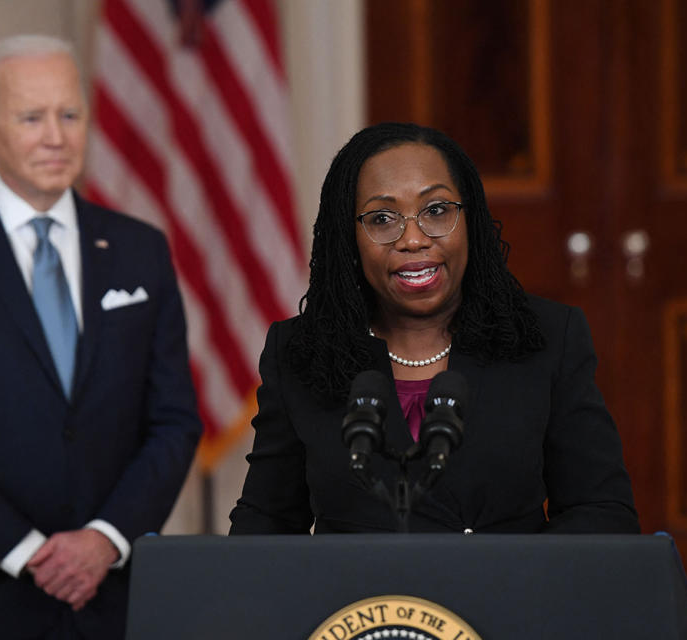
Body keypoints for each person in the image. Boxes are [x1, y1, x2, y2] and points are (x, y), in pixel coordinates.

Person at [0, 35, 202, 639]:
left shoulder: (140, 249)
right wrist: (30, 552)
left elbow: (174, 420)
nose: (56, 136)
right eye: (31, 117)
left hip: (114, 603)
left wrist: (103, 541)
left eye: (69, 114)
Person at [229, 122, 639, 535]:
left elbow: (602, 512)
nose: (412, 239)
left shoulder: (547, 338)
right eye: (383, 218)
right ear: (348, 237)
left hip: (504, 596)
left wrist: (521, 584)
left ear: (470, 220)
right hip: (357, 599)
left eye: (436, 210)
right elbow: (266, 523)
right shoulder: (301, 352)